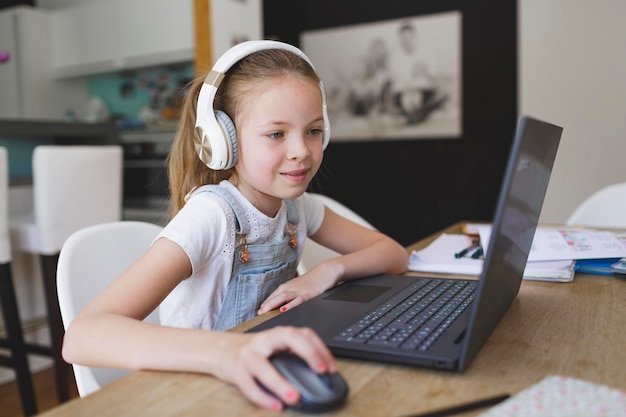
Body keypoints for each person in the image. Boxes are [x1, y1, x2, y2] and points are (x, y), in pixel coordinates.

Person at [61, 40, 408, 412]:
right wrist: (227, 352)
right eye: (276, 134)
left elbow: (394, 255)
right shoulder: (212, 216)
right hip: (196, 390)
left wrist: (327, 271)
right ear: (223, 141)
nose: (302, 151)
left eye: (313, 130)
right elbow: (83, 336)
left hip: (263, 377)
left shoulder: (298, 208)